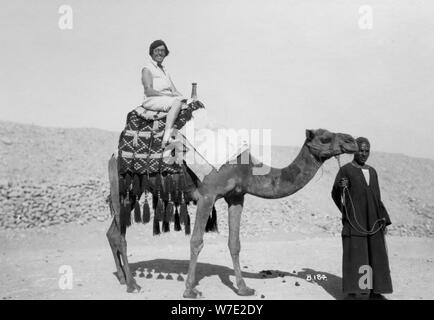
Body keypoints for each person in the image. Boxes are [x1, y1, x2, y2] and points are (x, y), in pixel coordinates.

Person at [331, 137, 393, 300]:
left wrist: (384, 219)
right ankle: (354, 292)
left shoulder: (372, 171)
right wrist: (346, 211)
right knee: (356, 256)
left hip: (374, 221)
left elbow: (377, 197)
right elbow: (335, 194)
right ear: (354, 151)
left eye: (367, 151)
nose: (364, 154)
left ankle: (376, 292)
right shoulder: (345, 170)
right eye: (361, 150)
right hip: (356, 222)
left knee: (376, 256)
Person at [141, 39, 186, 145]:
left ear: (166, 53)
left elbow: (174, 90)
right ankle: (167, 137)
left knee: (187, 104)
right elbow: (148, 91)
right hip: (152, 99)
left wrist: (186, 99)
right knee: (176, 103)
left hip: (166, 98)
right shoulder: (147, 69)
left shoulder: (165, 71)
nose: (160, 53)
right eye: (157, 50)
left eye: (162, 51)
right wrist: (168, 96)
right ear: (151, 52)